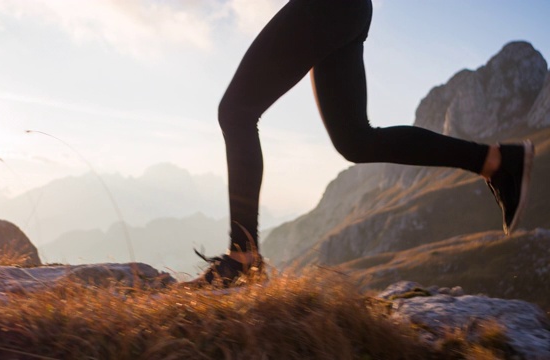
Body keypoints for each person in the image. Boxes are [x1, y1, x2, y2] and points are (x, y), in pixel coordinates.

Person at [188, 0, 535, 287]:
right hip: (347, 9)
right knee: (355, 141)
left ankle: (242, 259)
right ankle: (496, 162)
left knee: (236, 112)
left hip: (327, 7)